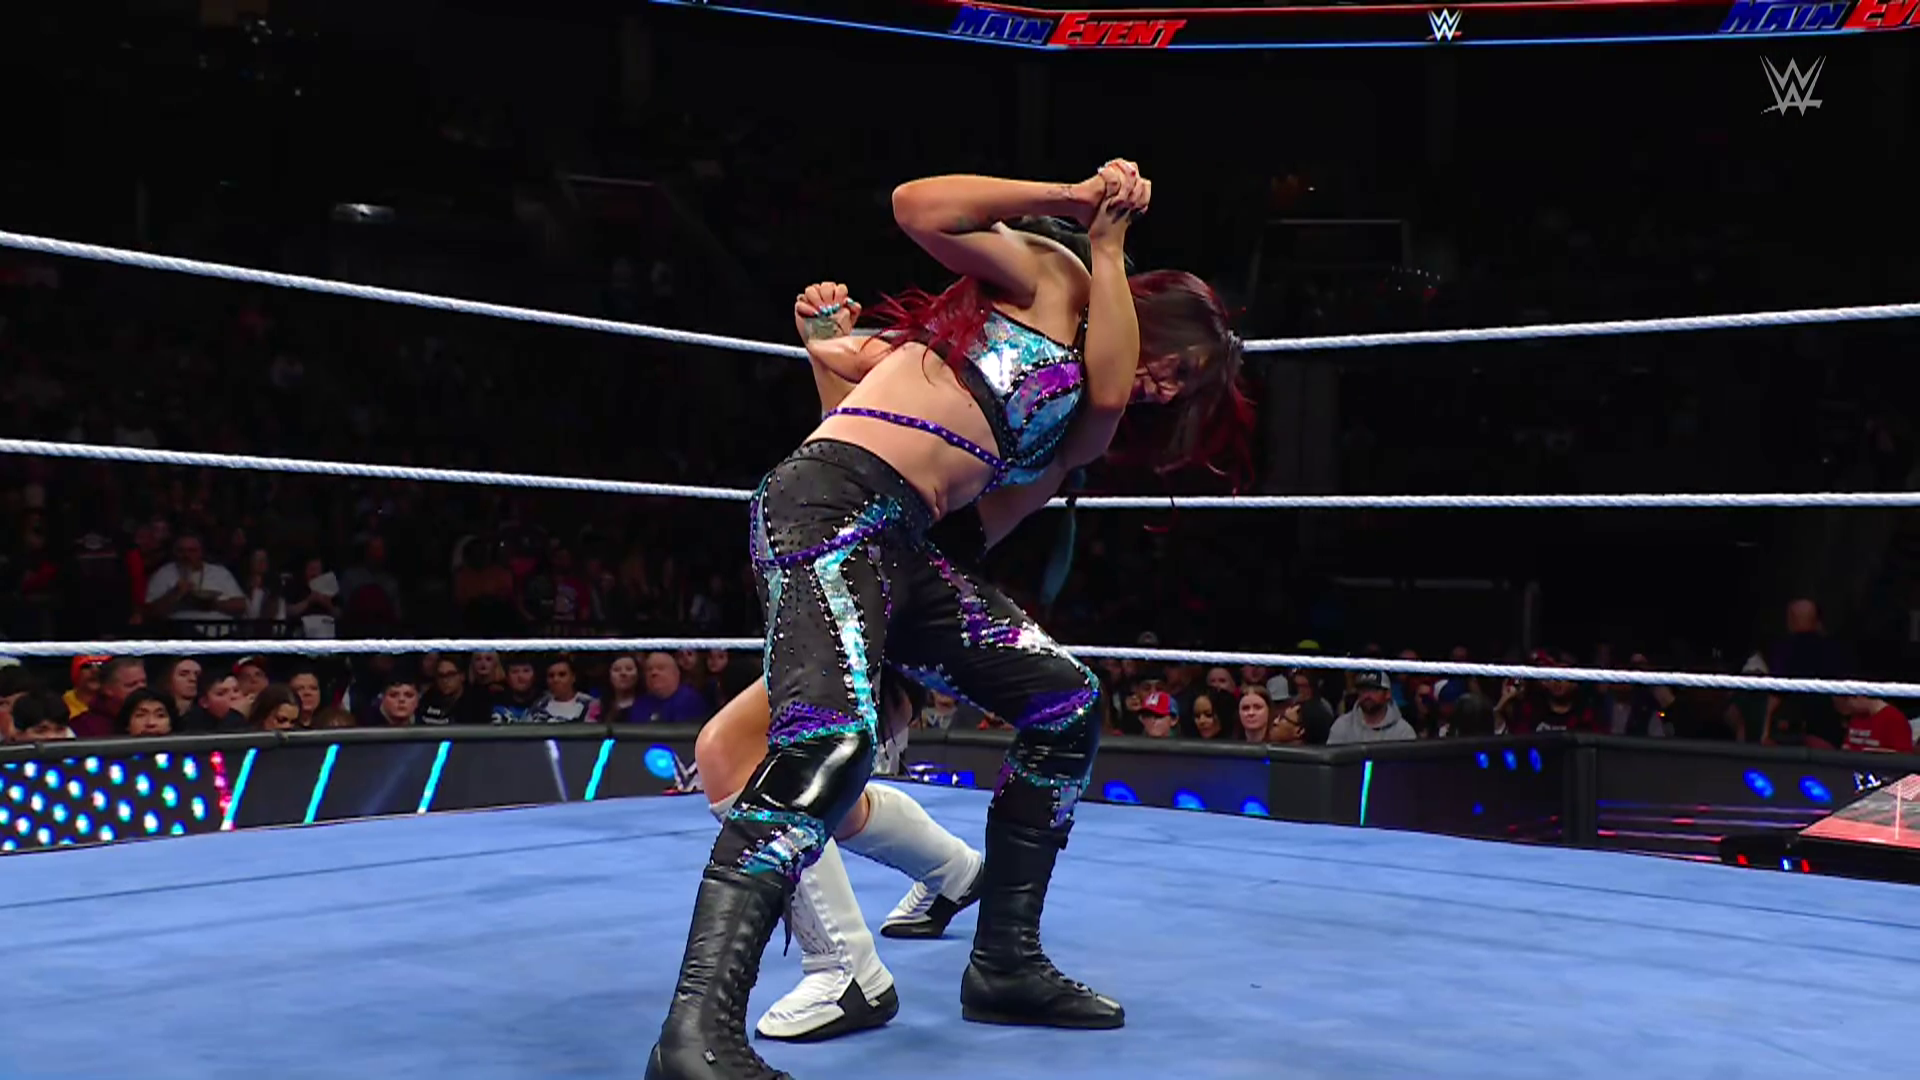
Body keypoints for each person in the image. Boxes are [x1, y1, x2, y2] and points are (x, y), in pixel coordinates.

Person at [648, 162, 1249, 1080]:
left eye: (1186, 387)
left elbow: (1033, 472)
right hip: (831, 508)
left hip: (907, 550)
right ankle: (694, 1037)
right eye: (1178, 364)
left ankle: (1005, 963)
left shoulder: (1070, 428)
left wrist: (915, 648)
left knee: (1065, 702)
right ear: (1153, 312)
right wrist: (1078, 210)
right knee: (824, 746)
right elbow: (913, 207)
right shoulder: (1049, 279)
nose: (1166, 387)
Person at [690, 216, 1143, 1045]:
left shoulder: (1043, 412)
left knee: (769, 755)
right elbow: (857, 434)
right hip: (872, 555)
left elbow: (940, 522)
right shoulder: (969, 368)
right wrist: (824, 351)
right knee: (754, 755)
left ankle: (847, 969)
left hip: (913, 586)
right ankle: (952, 876)